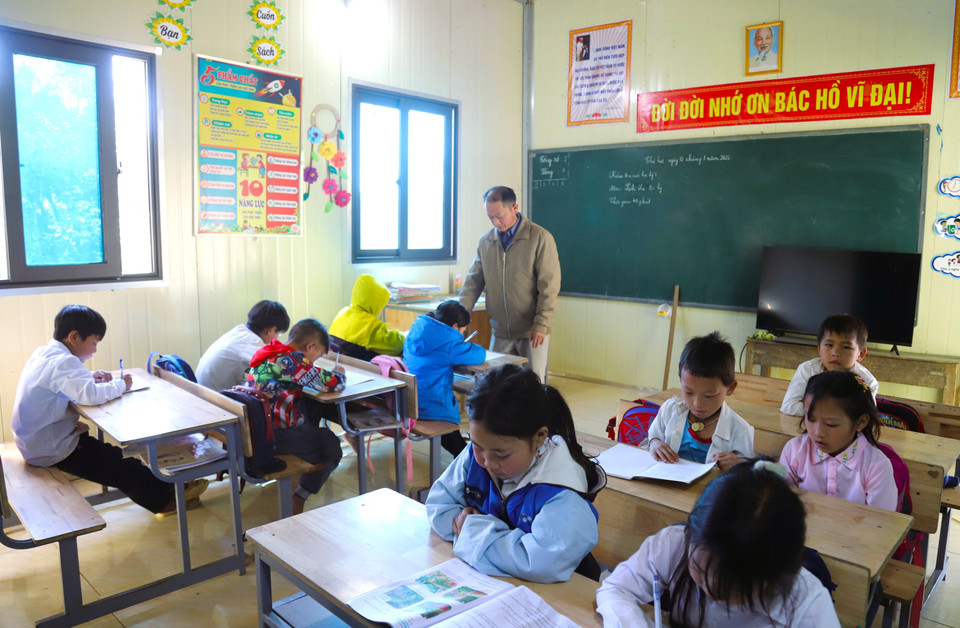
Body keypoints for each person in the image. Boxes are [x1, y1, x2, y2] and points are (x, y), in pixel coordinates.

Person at [11, 305, 208, 515]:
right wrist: (122, 384)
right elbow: (91, 395)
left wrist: (91, 376)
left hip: (34, 441)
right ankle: (167, 504)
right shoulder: (64, 362)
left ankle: (170, 487)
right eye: (94, 343)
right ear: (74, 337)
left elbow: (65, 380)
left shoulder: (45, 353)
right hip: (50, 448)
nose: (95, 350)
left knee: (117, 459)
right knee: (123, 468)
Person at [596, 461, 840, 627]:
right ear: (692, 532)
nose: (709, 590)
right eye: (698, 570)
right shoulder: (675, 544)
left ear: (774, 577)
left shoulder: (808, 605)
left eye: (733, 590)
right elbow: (616, 590)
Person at [425, 365, 605, 583]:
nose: (487, 462)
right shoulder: (480, 452)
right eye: (477, 446)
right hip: (495, 582)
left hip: (559, 593)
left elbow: (539, 563)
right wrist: (502, 546)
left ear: (540, 437)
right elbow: (438, 508)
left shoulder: (562, 489)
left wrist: (473, 529)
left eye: (502, 454)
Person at [459, 186, 560, 382]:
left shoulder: (539, 238)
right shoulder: (486, 241)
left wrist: (542, 323)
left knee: (533, 385)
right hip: (500, 331)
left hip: (532, 330)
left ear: (514, 208)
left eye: (499, 216)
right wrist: (460, 316)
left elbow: (549, 287)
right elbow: (473, 282)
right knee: (496, 384)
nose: (496, 222)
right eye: (490, 217)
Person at [246, 318, 346, 514]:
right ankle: (299, 496)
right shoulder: (293, 361)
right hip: (274, 438)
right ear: (310, 346)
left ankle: (311, 464)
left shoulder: (268, 353)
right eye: (317, 356)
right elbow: (334, 384)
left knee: (312, 410)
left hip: (257, 431)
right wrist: (340, 373)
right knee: (332, 446)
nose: (313, 362)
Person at [779, 370, 897, 511]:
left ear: (860, 422)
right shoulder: (794, 450)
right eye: (810, 419)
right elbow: (781, 503)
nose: (817, 432)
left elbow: (880, 521)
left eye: (831, 424)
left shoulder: (876, 466)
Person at [646, 332, 754, 471]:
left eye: (709, 396)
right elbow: (652, 437)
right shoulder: (670, 409)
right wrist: (654, 443)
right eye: (689, 392)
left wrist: (738, 466)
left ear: (730, 387)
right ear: (680, 379)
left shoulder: (741, 430)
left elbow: (748, 473)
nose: (697, 404)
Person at [403, 300, 486, 456]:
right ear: (454, 327)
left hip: (408, 403)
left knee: (457, 444)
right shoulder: (450, 346)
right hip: (431, 408)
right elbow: (480, 354)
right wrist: (459, 344)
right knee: (462, 452)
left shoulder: (415, 333)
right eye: (463, 331)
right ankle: (469, 463)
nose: (462, 335)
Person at [780, 314, 878, 416]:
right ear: (819, 349)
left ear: (860, 354)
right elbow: (788, 406)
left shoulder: (867, 381)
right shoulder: (808, 369)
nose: (835, 353)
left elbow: (867, 415)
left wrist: (813, 408)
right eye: (829, 345)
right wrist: (835, 412)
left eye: (846, 347)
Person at [196, 300, 289, 392]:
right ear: (271, 330)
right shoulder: (252, 343)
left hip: (202, 390)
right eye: (279, 333)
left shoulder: (239, 332)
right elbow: (278, 371)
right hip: (212, 396)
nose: (277, 337)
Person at [329, 274, 405, 360]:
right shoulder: (370, 325)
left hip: (338, 364)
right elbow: (396, 345)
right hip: (359, 367)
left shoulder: (342, 313)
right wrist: (405, 335)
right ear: (374, 303)